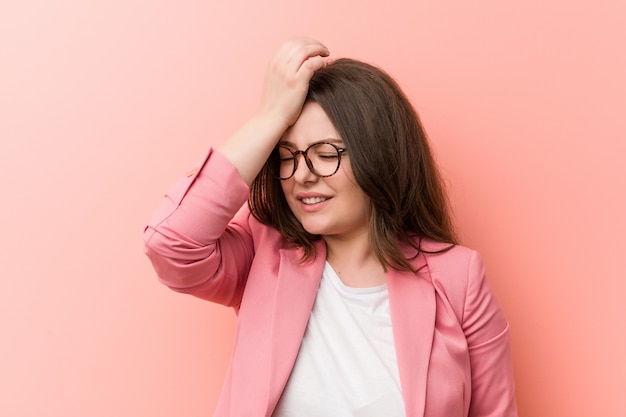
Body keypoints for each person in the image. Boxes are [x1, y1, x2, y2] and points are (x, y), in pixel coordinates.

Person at [143, 37, 518, 417]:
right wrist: (269, 116)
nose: (301, 175)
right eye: (288, 156)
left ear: (380, 155)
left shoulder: (459, 277)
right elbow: (170, 244)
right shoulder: (263, 251)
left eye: (326, 154)